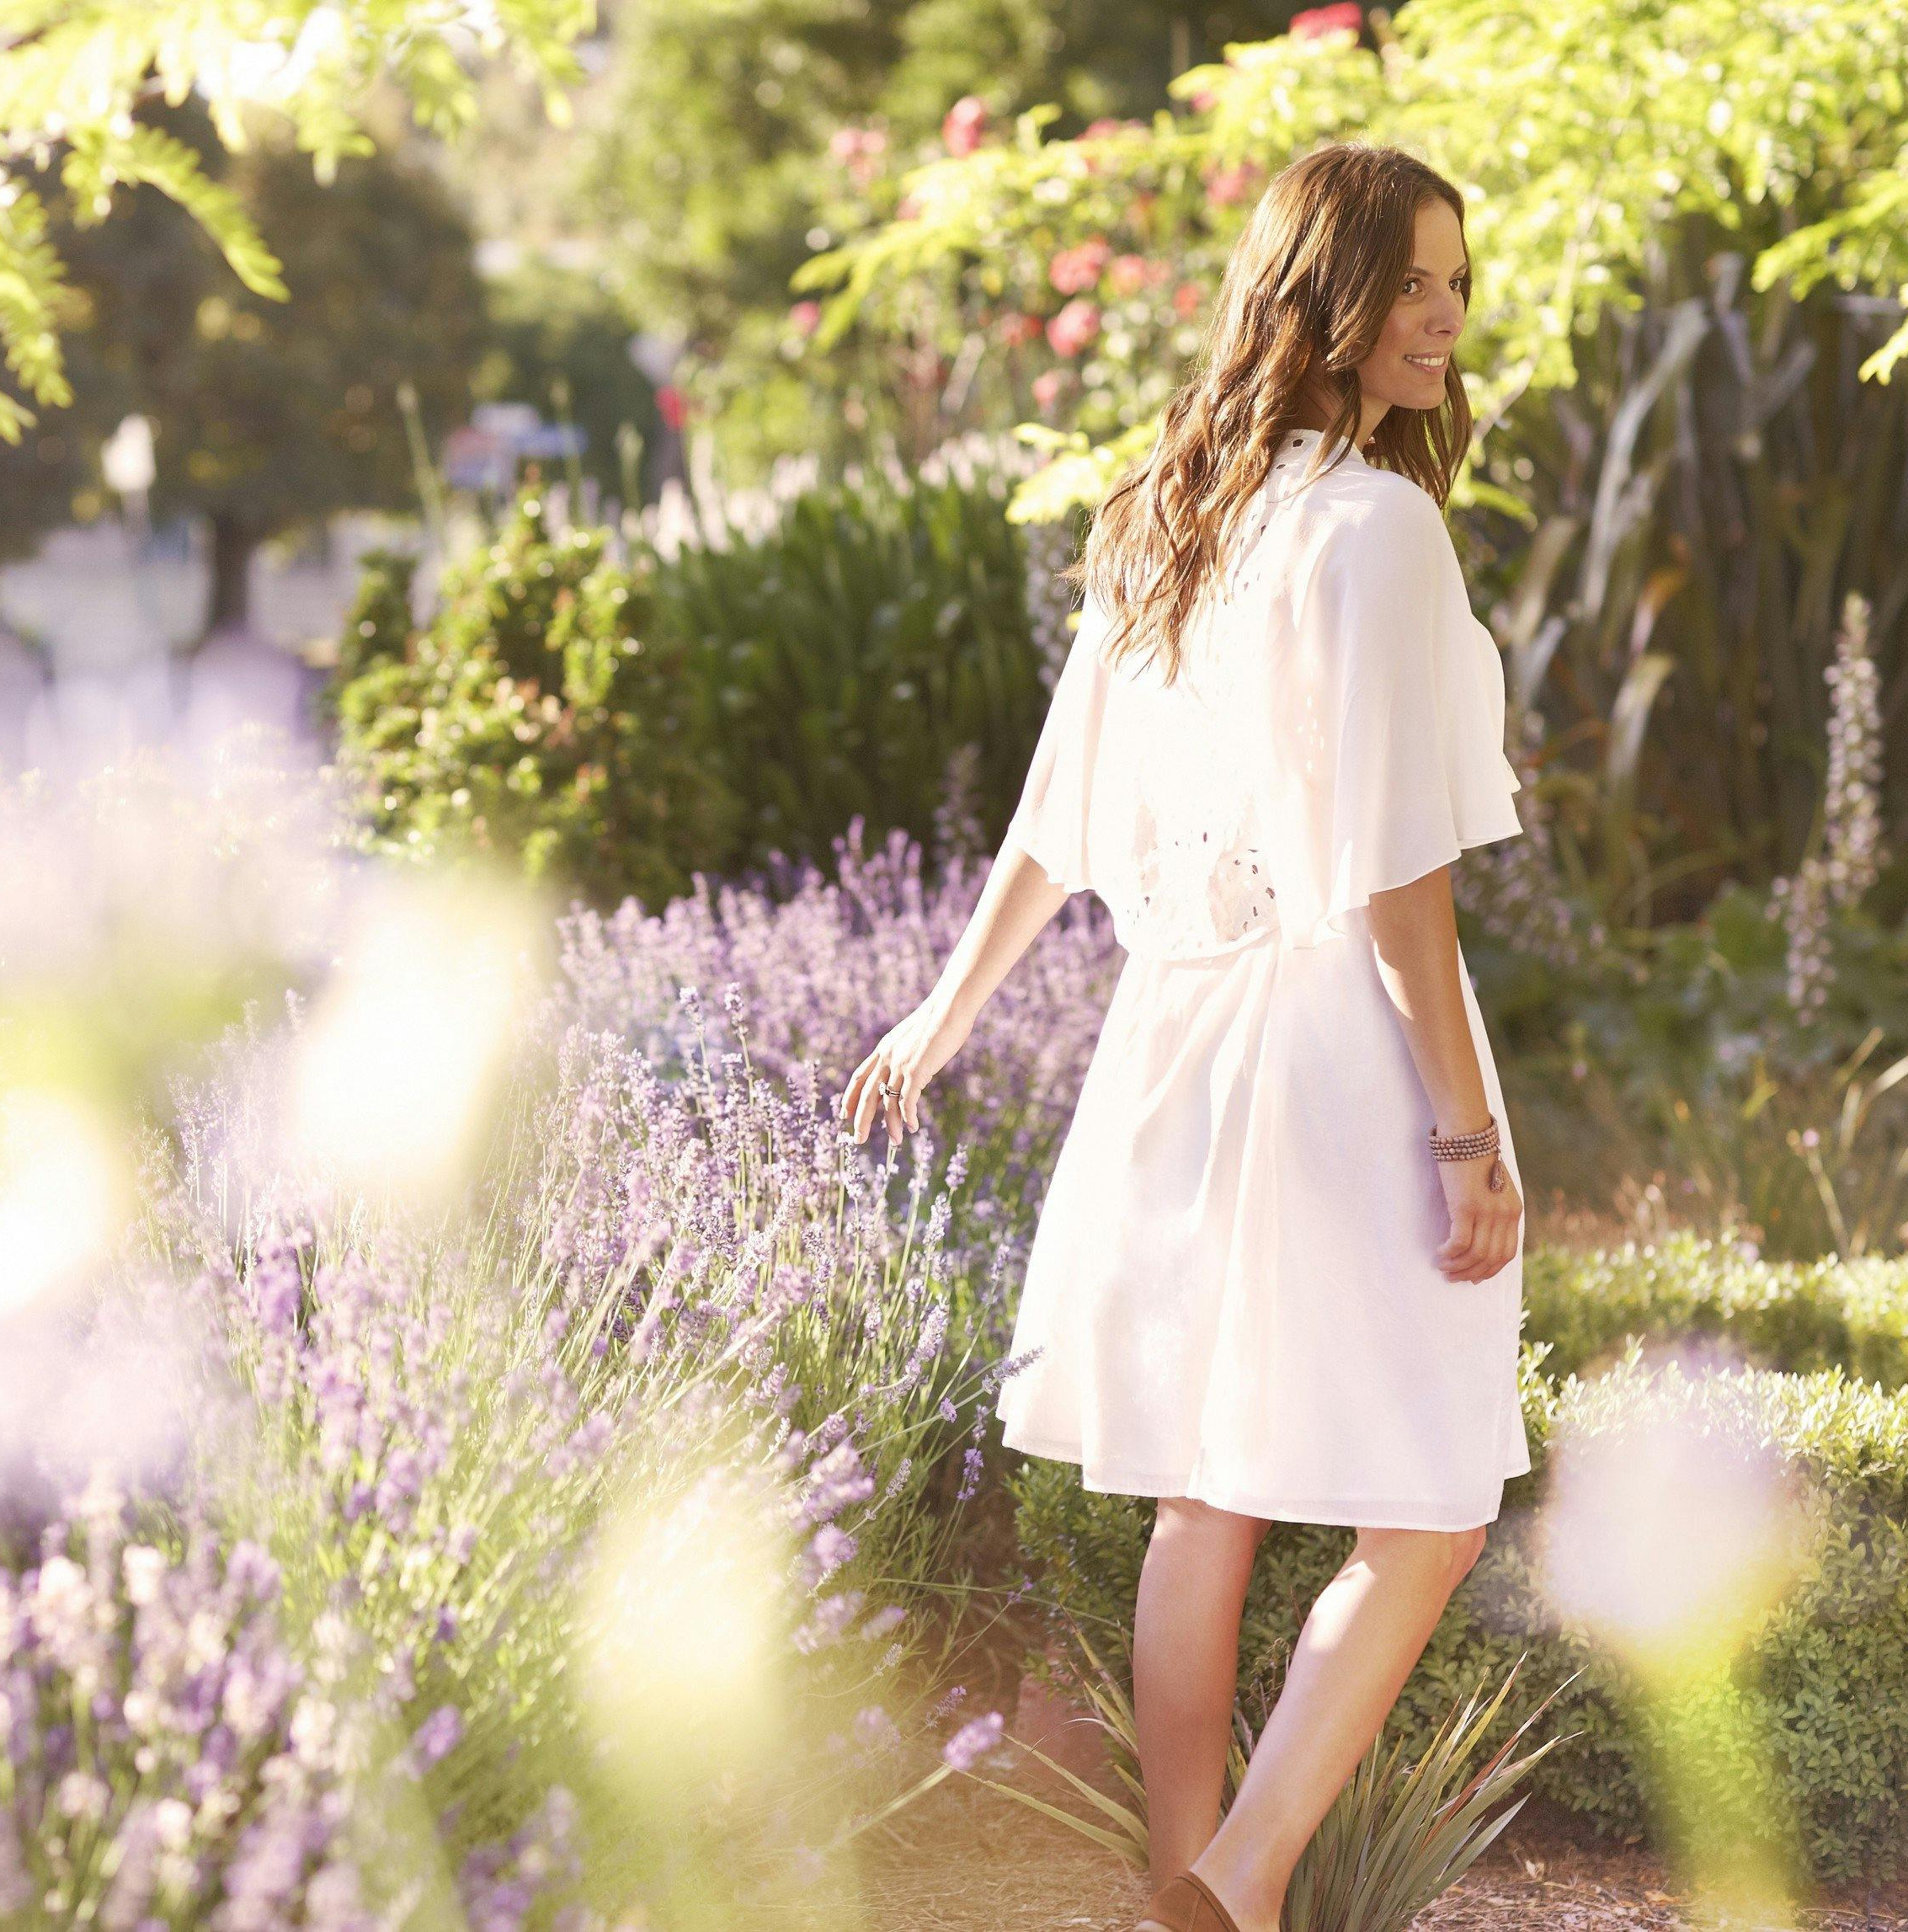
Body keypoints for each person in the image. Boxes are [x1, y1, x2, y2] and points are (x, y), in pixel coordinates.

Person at [839, 144, 1527, 1932]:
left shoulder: (1172, 510)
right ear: (1320, 297)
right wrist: (1464, 1132)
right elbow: (1396, 886)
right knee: (1434, 1503)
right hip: (1321, 1052)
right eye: (1410, 284)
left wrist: (941, 1009)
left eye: (1456, 281)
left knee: (1201, 1495)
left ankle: (1181, 1891)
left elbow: (1051, 823)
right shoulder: (1377, 529)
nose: (1444, 315)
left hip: (1163, 1052)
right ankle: (1228, 1881)